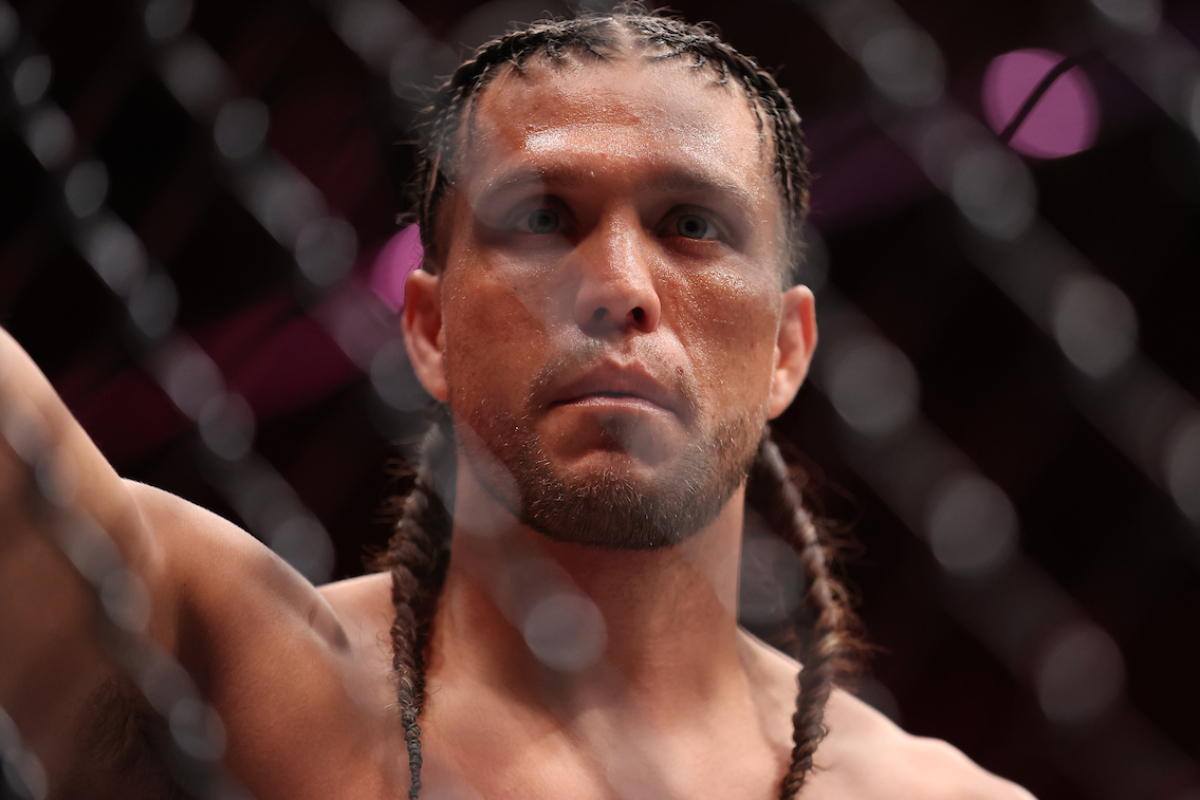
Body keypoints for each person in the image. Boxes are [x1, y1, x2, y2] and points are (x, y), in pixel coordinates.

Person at [0, 6, 1036, 800]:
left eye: (692, 224)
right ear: (430, 328)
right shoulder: (232, 667)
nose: (619, 286)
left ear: (786, 349)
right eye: (542, 219)